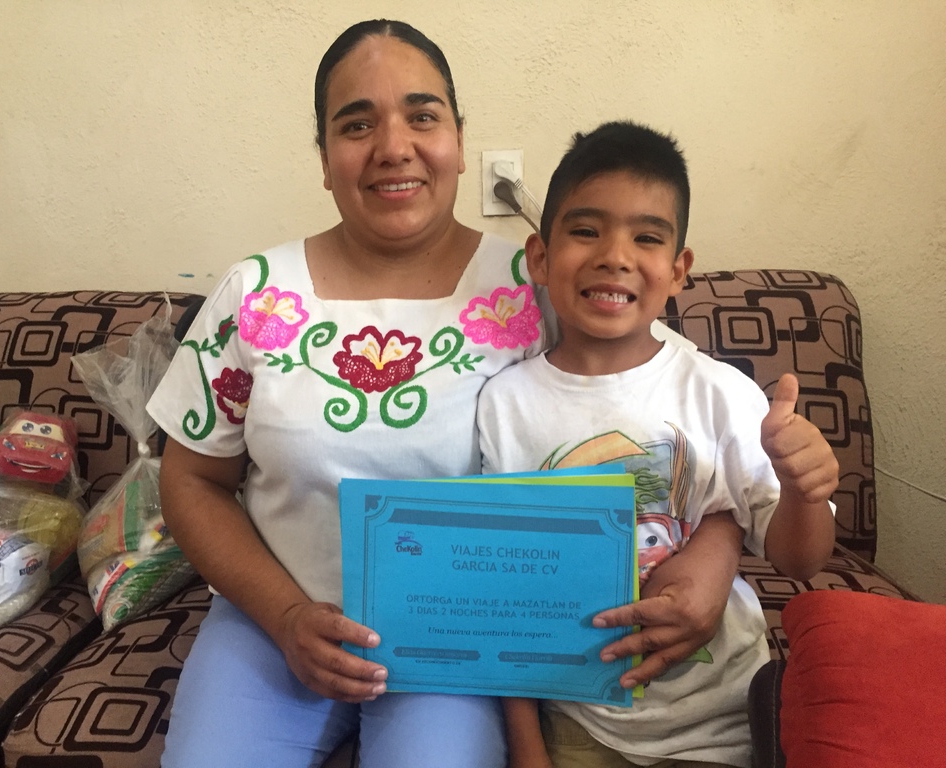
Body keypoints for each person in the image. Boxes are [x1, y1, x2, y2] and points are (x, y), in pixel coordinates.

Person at [147, 20, 749, 768]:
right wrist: (287, 615)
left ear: (459, 143)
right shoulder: (256, 295)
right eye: (356, 123)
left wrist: (718, 556)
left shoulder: (545, 287)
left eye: (421, 116)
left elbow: (682, 426)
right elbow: (193, 479)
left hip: (469, 634)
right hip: (274, 624)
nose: (393, 146)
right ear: (325, 159)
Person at [476, 121, 839, 768]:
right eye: (586, 230)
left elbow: (798, 560)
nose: (615, 255)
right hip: (579, 723)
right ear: (539, 256)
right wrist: (526, 748)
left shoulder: (717, 392)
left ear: (677, 271)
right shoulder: (502, 406)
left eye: (646, 237)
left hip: (723, 721)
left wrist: (807, 490)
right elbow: (498, 594)